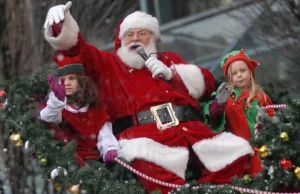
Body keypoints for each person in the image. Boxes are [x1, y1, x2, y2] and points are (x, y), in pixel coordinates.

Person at [43, 2, 254, 193]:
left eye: (142, 33)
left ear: (153, 38)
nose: (135, 38)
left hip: (192, 131)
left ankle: (210, 189)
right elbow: (77, 50)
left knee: (237, 153)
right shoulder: (110, 65)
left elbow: (207, 84)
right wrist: (63, 26)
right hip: (145, 138)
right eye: (129, 34)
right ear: (121, 41)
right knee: (150, 166)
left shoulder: (169, 59)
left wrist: (172, 74)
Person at [40, 54, 120, 166]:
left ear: (82, 81)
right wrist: (56, 101)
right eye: (62, 80)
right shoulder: (56, 107)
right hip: (67, 161)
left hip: (94, 159)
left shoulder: (95, 110)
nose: (66, 83)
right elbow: (47, 119)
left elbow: (105, 135)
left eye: (72, 78)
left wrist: (109, 149)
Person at [208, 49, 275, 177]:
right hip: (239, 155)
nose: (239, 75)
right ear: (229, 78)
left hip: (263, 151)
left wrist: (268, 121)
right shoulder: (225, 97)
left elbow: (272, 117)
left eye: (242, 71)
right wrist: (219, 103)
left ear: (250, 72)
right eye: (234, 73)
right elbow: (213, 118)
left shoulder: (261, 97)